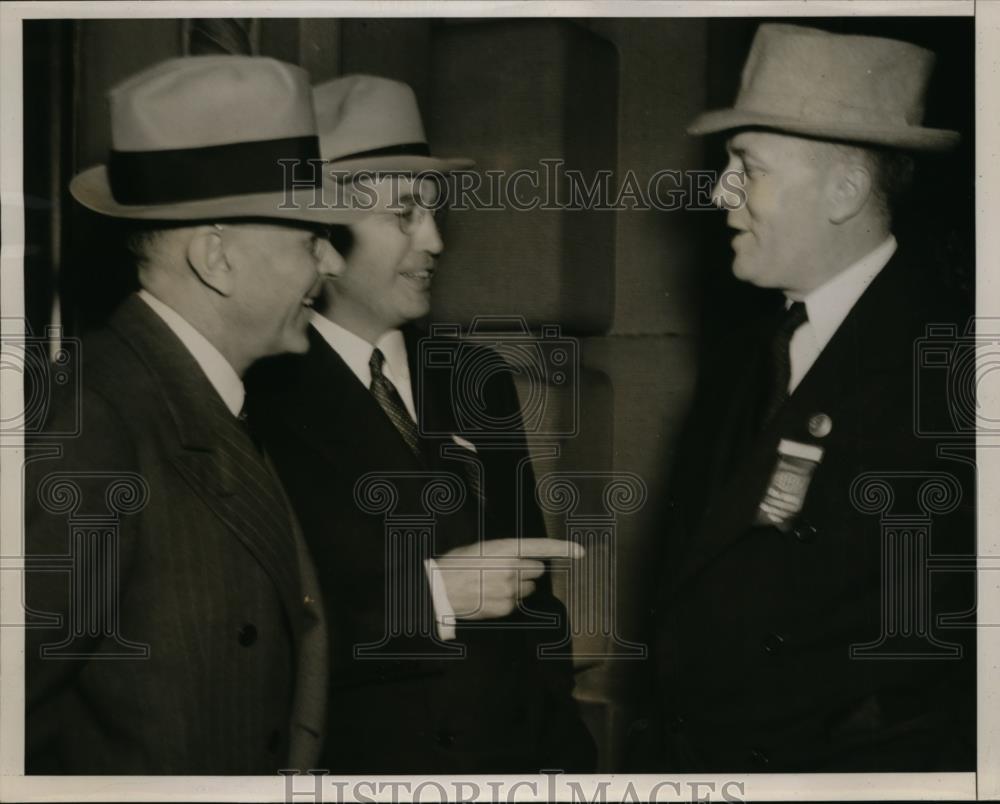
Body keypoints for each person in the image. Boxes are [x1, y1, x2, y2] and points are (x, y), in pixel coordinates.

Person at [642, 24, 975, 772]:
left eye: (746, 165)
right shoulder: (752, 355)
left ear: (845, 191)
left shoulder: (954, 367)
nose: (722, 190)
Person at [247, 75, 596, 773]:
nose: (435, 240)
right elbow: (255, 636)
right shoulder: (258, 394)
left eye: (434, 211)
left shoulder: (478, 380)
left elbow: (537, 609)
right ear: (322, 240)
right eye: (405, 214)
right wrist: (428, 597)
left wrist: (566, 761)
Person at [25, 56, 359, 774]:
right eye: (310, 236)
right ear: (216, 257)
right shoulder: (88, 425)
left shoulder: (195, 398)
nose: (331, 265)